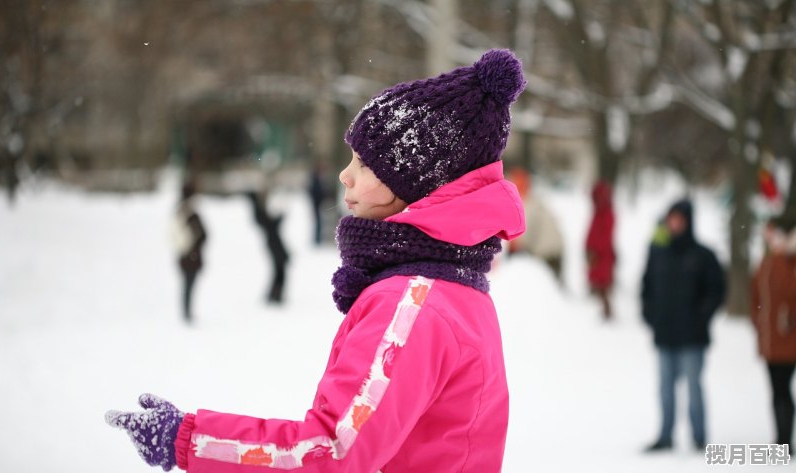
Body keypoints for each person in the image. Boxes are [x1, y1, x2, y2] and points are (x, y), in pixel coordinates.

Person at [105, 48, 527, 472]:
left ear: (415, 185)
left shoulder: (413, 305)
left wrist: (188, 440)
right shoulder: (456, 291)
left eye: (364, 164)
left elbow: (331, 453)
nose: (345, 175)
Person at [641, 199, 726, 452]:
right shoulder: (658, 252)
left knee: (694, 387)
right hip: (665, 334)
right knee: (665, 389)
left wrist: (702, 316)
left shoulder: (702, 255)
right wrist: (651, 315)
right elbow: (646, 287)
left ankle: (699, 437)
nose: (674, 224)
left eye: (679, 219)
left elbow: (716, 290)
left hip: (693, 336)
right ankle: (665, 436)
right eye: (671, 218)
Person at [750, 214, 796, 451]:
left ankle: (785, 439)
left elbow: (789, 291)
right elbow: (756, 297)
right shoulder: (767, 262)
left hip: (788, 339)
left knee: (783, 390)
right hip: (771, 340)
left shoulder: (787, 262)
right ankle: (781, 438)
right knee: (778, 390)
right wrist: (758, 323)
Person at [508, 169, 564, 284]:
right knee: (553, 288)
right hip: (556, 248)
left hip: (547, 252)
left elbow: (523, 233)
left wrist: (513, 249)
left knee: (546, 289)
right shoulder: (534, 201)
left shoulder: (527, 204)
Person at [173, 180, 208, 323]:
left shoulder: (184, 212)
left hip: (189, 255)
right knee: (188, 284)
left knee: (189, 284)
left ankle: (187, 311)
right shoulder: (187, 214)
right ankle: (186, 313)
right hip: (189, 256)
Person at [247, 190, 290, 304]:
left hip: (273, 243)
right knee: (279, 270)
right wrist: (280, 218)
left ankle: (274, 294)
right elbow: (271, 225)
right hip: (273, 244)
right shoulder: (259, 212)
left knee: (279, 270)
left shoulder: (259, 212)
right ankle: (275, 295)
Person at [585, 180, 615, 320]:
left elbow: (605, 237)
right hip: (596, 255)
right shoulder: (598, 212)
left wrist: (595, 251)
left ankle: (607, 312)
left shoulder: (607, 214)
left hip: (602, 256)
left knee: (603, 286)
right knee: (597, 283)